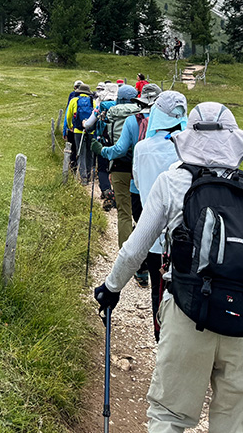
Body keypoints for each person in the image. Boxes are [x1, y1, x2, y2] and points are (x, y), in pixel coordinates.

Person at [93, 102, 243, 433]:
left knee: (169, 416)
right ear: (235, 141)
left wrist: (111, 289)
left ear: (188, 136)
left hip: (189, 313)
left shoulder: (172, 183)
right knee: (232, 424)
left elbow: (134, 250)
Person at [131, 89, 188, 340]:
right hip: (188, 235)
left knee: (159, 286)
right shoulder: (190, 149)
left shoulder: (142, 149)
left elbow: (138, 182)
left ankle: (161, 336)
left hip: (153, 233)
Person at [92, 82, 162, 286]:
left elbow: (120, 149)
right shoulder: (169, 122)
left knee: (124, 213)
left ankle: (130, 260)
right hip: (155, 174)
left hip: (124, 171)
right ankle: (153, 261)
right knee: (152, 216)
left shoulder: (131, 120)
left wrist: (101, 151)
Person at [84, 81, 118, 208]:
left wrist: (84, 124)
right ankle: (117, 193)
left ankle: (107, 191)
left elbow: (89, 124)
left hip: (103, 142)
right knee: (116, 169)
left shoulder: (101, 106)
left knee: (102, 169)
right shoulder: (124, 106)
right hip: (120, 143)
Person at [64, 80, 94, 180]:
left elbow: (68, 116)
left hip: (77, 130)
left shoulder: (74, 100)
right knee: (89, 153)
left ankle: (83, 177)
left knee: (80, 152)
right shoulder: (92, 101)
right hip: (90, 130)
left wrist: (70, 126)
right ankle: (89, 175)